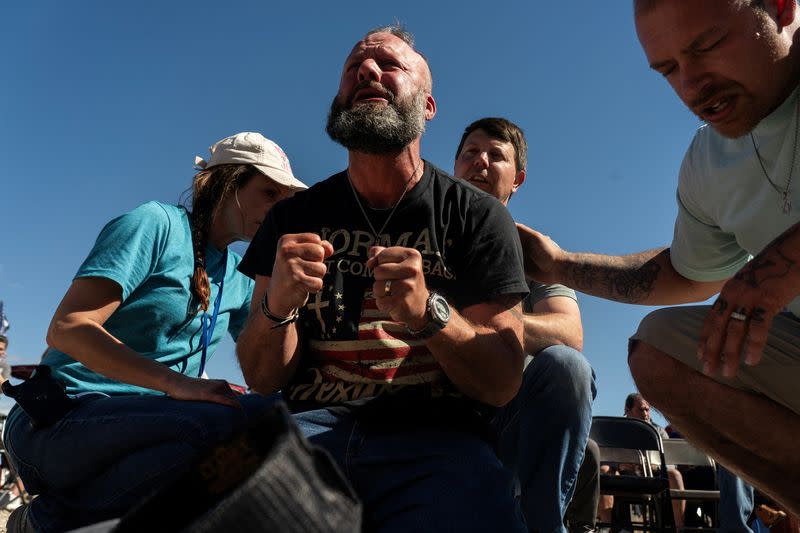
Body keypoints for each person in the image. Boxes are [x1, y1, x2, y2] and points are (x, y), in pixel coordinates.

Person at [237, 26, 529, 531]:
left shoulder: (478, 217)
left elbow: (503, 381)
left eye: (389, 66)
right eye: (353, 69)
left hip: (437, 442)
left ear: (429, 105)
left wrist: (429, 314)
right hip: (307, 436)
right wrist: (277, 307)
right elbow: (261, 378)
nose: (367, 71)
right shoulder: (292, 217)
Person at [516, 0, 800, 513]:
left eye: (707, 46)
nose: (692, 86)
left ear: (781, 8)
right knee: (660, 352)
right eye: (668, 69)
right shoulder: (710, 159)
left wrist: (784, 264)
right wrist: (558, 264)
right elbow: (684, 275)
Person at [3, 132, 307, 532]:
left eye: (285, 201)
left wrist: (286, 303)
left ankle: (63, 517)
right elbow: (66, 328)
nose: (277, 210)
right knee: (222, 426)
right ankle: (45, 522)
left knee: (268, 420)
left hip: (144, 430)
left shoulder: (240, 278)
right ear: (228, 184)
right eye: (269, 194)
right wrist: (176, 383)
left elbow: (264, 374)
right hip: (57, 415)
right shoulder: (156, 224)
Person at [453, 116, 596, 533]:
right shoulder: (423, 234)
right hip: (428, 408)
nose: (479, 161)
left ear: (517, 179)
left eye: (495, 155)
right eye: (469, 153)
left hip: (505, 416)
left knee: (567, 368)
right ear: (454, 165)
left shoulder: (530, 252)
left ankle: (543, 525)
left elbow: (570, 334)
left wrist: (480, 318)